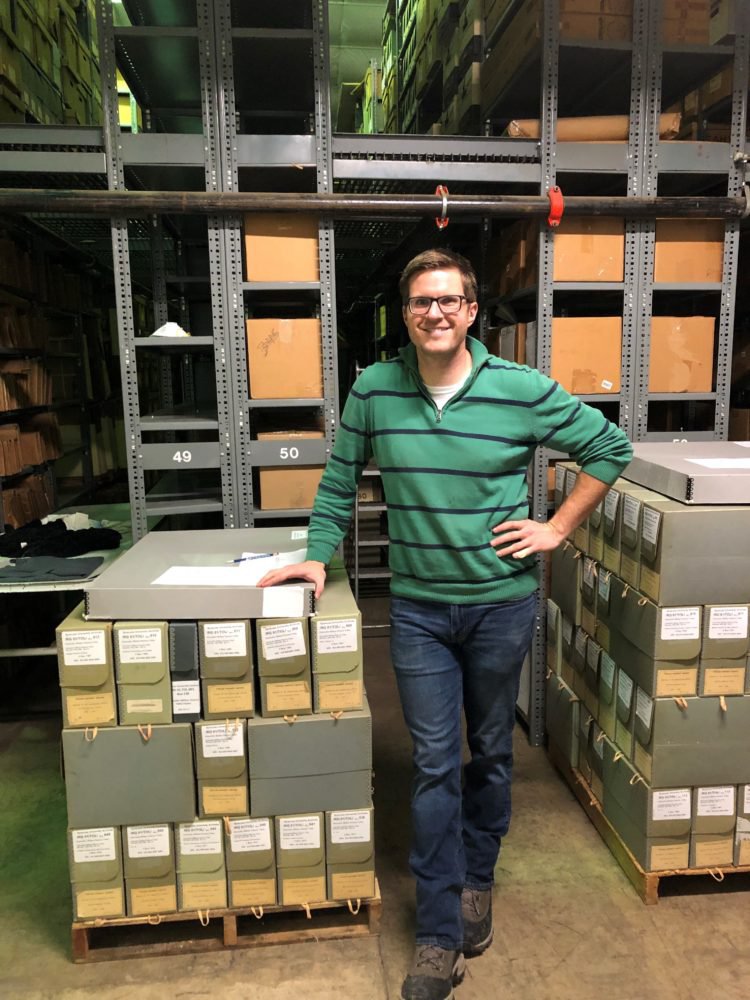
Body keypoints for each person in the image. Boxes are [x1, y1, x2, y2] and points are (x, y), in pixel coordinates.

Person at [259, 247, 632, 1000]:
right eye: (421, 302)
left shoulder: (520, 390)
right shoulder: (374, 388)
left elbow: (609, 447)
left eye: (449, 301)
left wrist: (557, 527)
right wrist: (316, 555)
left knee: (491, 750)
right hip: (420, 611)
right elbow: (338, 479)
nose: (435, 312)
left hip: (500, 604)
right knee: (435, 763)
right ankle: (436, 936)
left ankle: (476, 881)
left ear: (470, 312)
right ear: (407, 315)